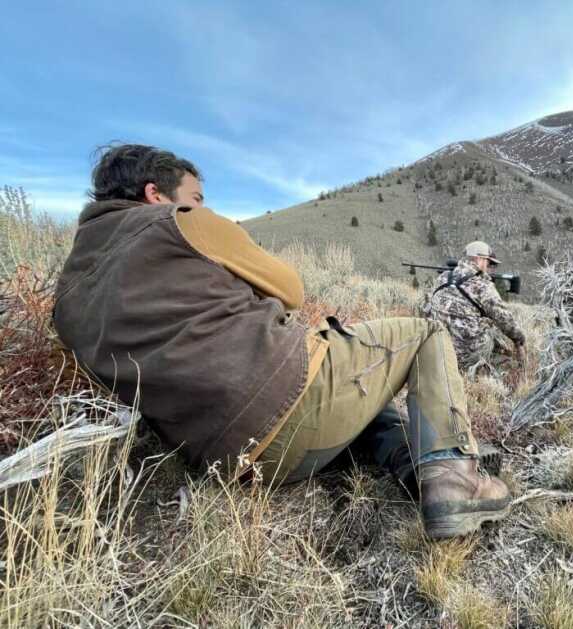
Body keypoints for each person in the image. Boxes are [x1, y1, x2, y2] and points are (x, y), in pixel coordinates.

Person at [52, 144, 511, 539]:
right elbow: (290, 289)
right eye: (196, 196)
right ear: (156, 194)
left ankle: (414, 468)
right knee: (423, 332)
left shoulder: (68, 295)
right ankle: (454, 483)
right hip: (289, 407)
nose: (201, 205)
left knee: (361, 389)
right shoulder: (179, 222)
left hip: (241, 466)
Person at [425, 241, 526, 372]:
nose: (490, 267)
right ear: (479, 259)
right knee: (492, 327)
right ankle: (495, 368)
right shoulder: (483, 285)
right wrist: (520, 339)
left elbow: (426, 307)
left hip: (438, 349)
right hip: (466, 356)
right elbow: (504, 319)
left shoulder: (443, 277)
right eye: (489, 262)